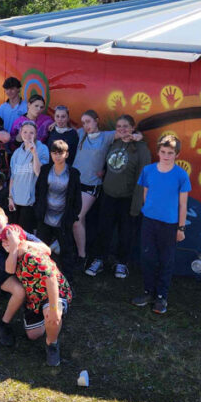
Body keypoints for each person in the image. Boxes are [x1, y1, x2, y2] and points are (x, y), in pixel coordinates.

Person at [71, 110, 142, 272]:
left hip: (92, 185)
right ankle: (73, 251)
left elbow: (127, 132)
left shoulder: (106, 136)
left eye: (89, 121)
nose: (86, 125)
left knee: (77, 218)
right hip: (75, 183)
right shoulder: (81, 133)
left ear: (97, 121)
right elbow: (64, 128)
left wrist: (139, 136)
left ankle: (82, 256)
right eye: (83, 122)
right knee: (72, 218)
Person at [132, 134, 191, 315]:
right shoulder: (148, 171)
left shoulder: (181, 175)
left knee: (166, 260)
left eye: (170, 153)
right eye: (163, 152)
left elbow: (183, 204)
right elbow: (145, 194)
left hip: (169, 224)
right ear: (157, 152)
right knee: (148, 257)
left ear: (177, 155)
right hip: (149, 221)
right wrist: (148, 211)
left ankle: (161, 297)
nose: (166, 156)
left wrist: (181, 228)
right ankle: (148, 292)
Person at [87, 114, 151, 279]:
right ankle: (99, 259)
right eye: (119, 126)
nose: (122, 129)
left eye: (125, 126)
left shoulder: (141, 148)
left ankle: (122, 262)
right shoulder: (114, 143)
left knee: (126, 232)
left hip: (127, 198)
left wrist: (137, 204)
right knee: (104, 229)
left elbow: (143, 178)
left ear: (133, 127)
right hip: (108, 195)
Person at [1, 223, 72, 366]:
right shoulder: (14, 255)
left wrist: (52, 309)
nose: (4, 244)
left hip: (53, 293)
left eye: (7, 240)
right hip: (34, 297)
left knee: (53, 316)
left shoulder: (32, 255)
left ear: (20, 240)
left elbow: (51, 279)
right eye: (2, 241)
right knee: (33, 335)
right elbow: (9, 270)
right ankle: (48, 320)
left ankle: (52, 344)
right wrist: (14, 248)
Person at [0, 205, 37, 347]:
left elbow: (45, 248)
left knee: (20, 291)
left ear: (6, 219)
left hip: (7, 276)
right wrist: (15, 248)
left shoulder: (15, 231)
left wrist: (22, 243)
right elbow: (9, 269)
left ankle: (4, 324)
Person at [34, 139, 83, 272]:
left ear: (66, 154)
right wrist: (38, 211)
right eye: (54, 152)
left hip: (63, 220)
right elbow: (39, 191)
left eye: (60, 153)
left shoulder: (73, 173)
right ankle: (39, 274)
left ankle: (68, 280)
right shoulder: (45, 170)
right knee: (39, 248)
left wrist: (72, 216)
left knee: (66, 251)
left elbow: (77, 198)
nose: (57, 156)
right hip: (45, 217)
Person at [7, 120, 49, 232]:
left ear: (36, 134)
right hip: (15, 199)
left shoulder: (42, 149)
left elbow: (39, 173)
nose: (28, 135)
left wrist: (34, 153)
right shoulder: (16, 153)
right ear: (21, 133)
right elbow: (13, 177)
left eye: (31, 132)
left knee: (25, 233)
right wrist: (10, 197)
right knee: (14, 231)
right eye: (25, 132)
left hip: (30, 201)